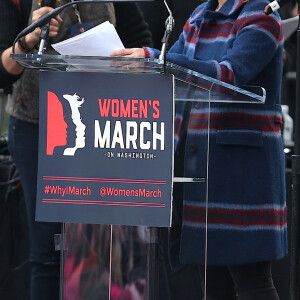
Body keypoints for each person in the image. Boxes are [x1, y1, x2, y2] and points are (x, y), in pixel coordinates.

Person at [111, 0, 287, 299]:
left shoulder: (261, 16)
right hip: (200, 168)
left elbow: (229, 75)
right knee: (212, 283)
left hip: (242, 172)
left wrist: (153, 57)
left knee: (252, 281)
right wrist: (146, 65)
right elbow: (171, 66)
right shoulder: (199, 14)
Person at [0, 0, 152, 299]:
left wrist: (131, 61)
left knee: (100, 251)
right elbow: (3, 71)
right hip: (38, 128)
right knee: (47, 250)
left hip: (101, 130)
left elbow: (143, 46)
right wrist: (28, 39)